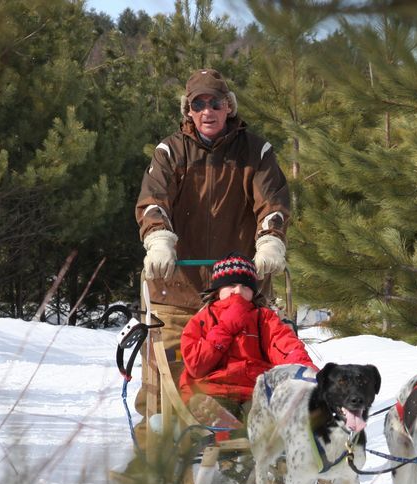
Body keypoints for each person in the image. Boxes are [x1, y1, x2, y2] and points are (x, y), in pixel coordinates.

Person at [130, 67, 291, 456]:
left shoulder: (256, 152)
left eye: (215, 103)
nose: (207, 111)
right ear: (188, 110)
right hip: (176, 288)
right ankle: (159, 452)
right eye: (198, 104)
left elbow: (272, 203)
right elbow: (154, 201)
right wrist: (159, 241)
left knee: (243, 373)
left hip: (236, 291)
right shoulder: (171, 151)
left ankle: (245, 446)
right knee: (167, 379)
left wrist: (270, 242)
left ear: (228, 107)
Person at [180, 253, 315, 439]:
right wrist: (227, 326)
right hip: (213, 388)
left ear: (253, 292)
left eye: (245, 286)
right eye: (231, 285)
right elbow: (196, 365)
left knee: (264, 414)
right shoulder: (202, 320)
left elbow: (284, 345)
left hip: (255, 390)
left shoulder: (263, 318)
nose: (238, 291)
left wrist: (305, 370)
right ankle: (232, 447)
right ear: (218, 290)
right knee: (210, 408)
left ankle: (243, 442)